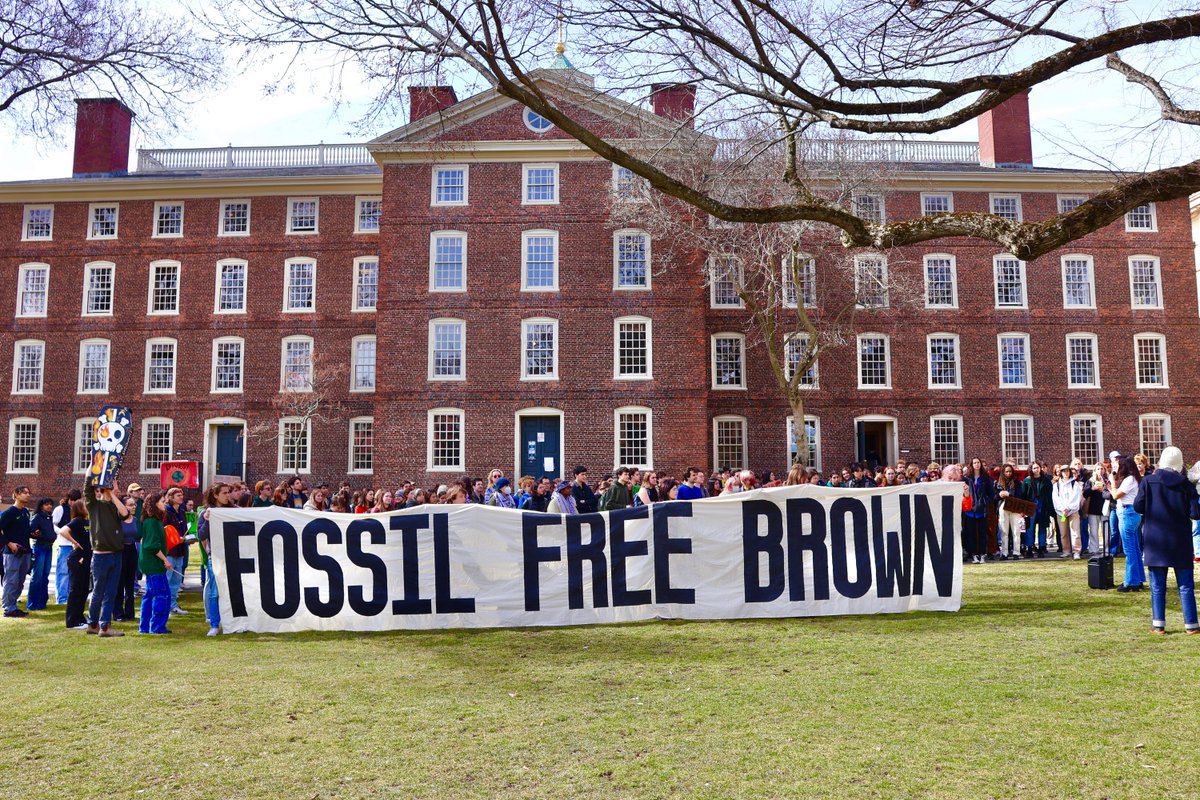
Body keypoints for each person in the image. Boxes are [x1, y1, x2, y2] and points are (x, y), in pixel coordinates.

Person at [1133, 447, 1199, 635]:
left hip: (1156, 539)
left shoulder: (1148, 481)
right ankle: (1191, 625)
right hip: (1180, 539)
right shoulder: (1186, 484)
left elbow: (1138, 506)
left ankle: (1158, 625)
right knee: (1185, 586)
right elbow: (1195, 513)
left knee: (1157, 587)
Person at [85, 479, 131, 636]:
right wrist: (92, 471)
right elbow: (87, 488)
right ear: (105, 489)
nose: (118, 491)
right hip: (101, 556)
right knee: (98, 591)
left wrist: (113, 495)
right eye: (115, 488)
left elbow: (125, 514)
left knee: (111, 592)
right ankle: (93, 624)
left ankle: (104, 626)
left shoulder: (115, 506)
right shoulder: (95, 505)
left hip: (116, 554)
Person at [198, 483, 234, 636]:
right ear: (215, 495)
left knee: (234, 591)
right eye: (224, 493)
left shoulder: (233, 510)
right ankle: (214, 624)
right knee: (215, 592)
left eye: (228, 492)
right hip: (216, 557)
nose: (228, 495)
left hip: (233, 555)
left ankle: (233, 622)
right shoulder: (206, 512)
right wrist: (207, 520)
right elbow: (201, 535)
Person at [138, 492, 173, 635]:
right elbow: (152, 545)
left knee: (150, 595)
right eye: (162, 501)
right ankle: (157, 626)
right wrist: (165, 560)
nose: (165, 504)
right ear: (154, 504)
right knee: (162, 594)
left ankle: (145, 626)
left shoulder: (153, 521)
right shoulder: (152, 521)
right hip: (154, 564)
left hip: (151, 563)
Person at [1113, 455, 1146, 592]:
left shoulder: (1129, 479)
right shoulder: (1134, 478)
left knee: (1129, 549)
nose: (1116, 468)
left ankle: (1131, 582)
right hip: (1131, 513)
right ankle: (1138, 579)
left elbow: (1115, 495)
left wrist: (1111, 482)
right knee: (1135, 548)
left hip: (1127, 513)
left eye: (1118, 466)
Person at [0, 485, 34, 617]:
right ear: (17, 495)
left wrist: (33, 533)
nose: (28, 495)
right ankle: (8, 609)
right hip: (12, 553)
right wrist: (9, 544)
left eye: (29, 492)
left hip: (25, 552)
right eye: (25, 493)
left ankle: (13, 606)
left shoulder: (25, 512)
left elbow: (25, 530)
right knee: (11, 581)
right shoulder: (9, 513)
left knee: (20, 581)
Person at [59, 499, 91, 629]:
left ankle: (79, 617)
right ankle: (72, 621)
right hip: (77, 558)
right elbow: (63, 531)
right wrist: (74, 542)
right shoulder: (77, 521)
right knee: (76, 590)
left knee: (84, 590)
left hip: (86, 558)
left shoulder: (87, 522)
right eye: (85, 505)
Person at [27, 497, 58, 611]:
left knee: (45, 575)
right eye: (46, 504)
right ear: (41, 506)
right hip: (39, 547)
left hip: (49, 547)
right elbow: (30, 531)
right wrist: (37, 534)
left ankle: (42, 602)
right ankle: (33, 603)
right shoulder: (37, 517)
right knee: (37, 576)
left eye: (50, 504)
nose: (49, 506)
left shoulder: (49, 517)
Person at [113, 494, 141, 621]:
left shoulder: (135, 519)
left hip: (131, 550)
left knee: (130, 583)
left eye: (134, 504)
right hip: (120, 550)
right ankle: (118, 613)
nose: (134, 507)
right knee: (119, 583)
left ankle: (130, 613)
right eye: (130, 505)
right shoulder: (117, 520)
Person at [963, 458, 995, 564]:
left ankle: (982, 554)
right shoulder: (967, 478)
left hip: (982, 510)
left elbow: (991, 494)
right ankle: (973, 555)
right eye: (974, 463)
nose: (976, 464)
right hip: (970, 510)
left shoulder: (986, 478)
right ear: (971, 465)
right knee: (971, 534)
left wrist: (984, 501)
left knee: (982, 533)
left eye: (978, 463)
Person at [53, 488, 82, 604]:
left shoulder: (78, 511)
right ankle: (61, 598)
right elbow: (53, 525)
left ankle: (71, 596)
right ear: (68, 499)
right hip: (64, 544)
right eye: (72, 500)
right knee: (63, 571)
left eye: (76, 500)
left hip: (75, 544)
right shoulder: (60, 509)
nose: (73, 502)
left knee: (73, 572)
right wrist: (62, 532)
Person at [1052, 465, 1084, 559]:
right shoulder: (1056, 485)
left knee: (1075, 532)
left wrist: (1068, 508)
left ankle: (1076, 551)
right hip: (1061, 513)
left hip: (1073, 511)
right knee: (1063, 533)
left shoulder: (1075, 484)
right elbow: (1056, 499)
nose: (1066, 473)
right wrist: (1062, 509)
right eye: (1063, 471)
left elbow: (1076, 497)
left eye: (1067, 471)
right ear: (1061, 473)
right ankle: (1066, 551)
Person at [1023, 461, 1054, 558]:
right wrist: (1023, 509)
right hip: (1030, 505)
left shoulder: (1046, 480)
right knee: (1030, 527)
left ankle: (1041, 548)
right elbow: (1023, 495)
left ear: (1040, 468)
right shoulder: (1027, 480)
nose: (1036, 470)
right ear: (1031, 469)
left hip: (1042, 505)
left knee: (1042, 527)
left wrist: (1050, 508)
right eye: (1034, 468)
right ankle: (1029, 548)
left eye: (1037, 467)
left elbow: (1050, 495)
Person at [995, 465, 1025, 559]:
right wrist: (999, 495)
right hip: (1003, 507)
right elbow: (994, 498)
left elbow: (1020, 495)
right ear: (1003, 472)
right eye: (1006, 471)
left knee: (1016, 531)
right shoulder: (998, 483)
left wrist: (1009, 494)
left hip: (1015, 507)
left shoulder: (1016, 482)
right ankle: (1004, 553)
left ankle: (1016, 552)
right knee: (1004, 531)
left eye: (1010, 471)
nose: (1008, 473)